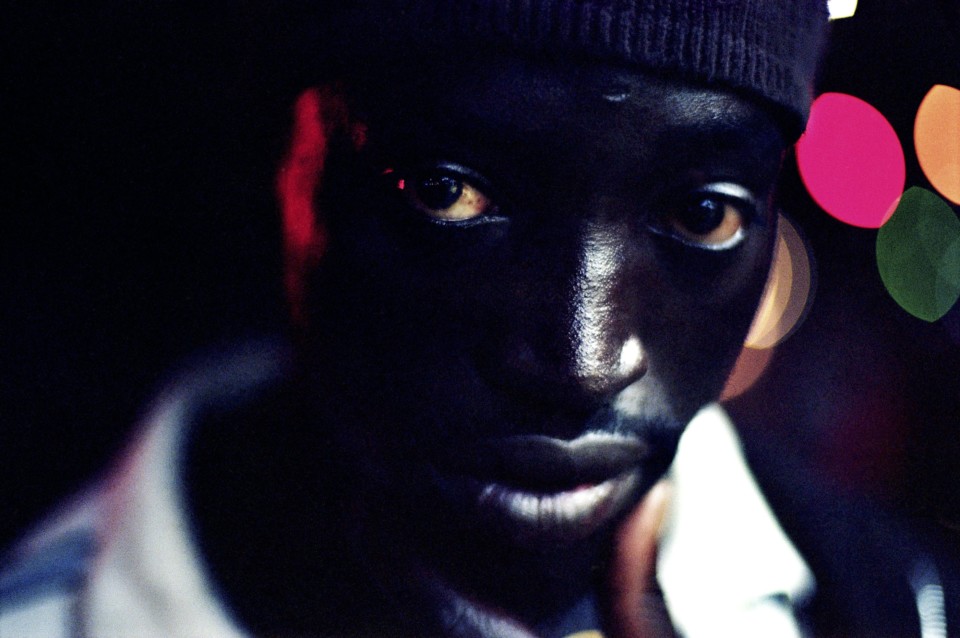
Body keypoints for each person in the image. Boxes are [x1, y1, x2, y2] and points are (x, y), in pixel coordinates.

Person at [0, 2, 831, 636]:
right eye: (446, 193)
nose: (584, 363)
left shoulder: (882, 595)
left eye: (702, 215)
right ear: (284, 160)